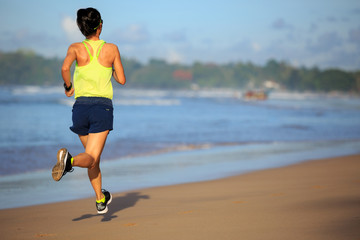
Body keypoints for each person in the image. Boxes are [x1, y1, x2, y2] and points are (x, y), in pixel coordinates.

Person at [51, 7, 126, 214]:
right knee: (90, 157)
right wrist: (108, 68)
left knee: (93, 158)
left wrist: (68, 87)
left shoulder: (75, 47)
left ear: (81, 28)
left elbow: (65, 68)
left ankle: (100, 200)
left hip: (80, 108)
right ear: (100, 26)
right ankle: (69, 161)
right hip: (101, 108)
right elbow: (122, 79)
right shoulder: (111, 49)